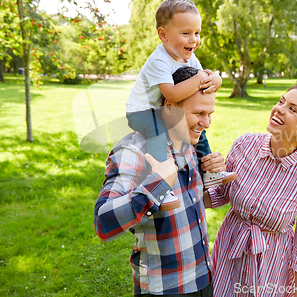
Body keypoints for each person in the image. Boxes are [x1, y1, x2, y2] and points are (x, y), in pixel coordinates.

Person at [94, 67, 229, 296]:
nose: (206, 123)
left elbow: (191, 202)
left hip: (204, 277)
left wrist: (217, 177)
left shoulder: (190, 143)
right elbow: (103, 222)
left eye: (210, 113)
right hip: (164, 288)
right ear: (169, 107)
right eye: (198, 114)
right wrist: (157, 184)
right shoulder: (134, 151)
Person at [205, 81, 297, 297]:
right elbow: (220, 194)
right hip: (228, 254)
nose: (279, 109)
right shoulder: (244, 144)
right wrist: (194, 182)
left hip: (271, 269)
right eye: (281, 101)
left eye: (292, 109)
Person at [125, 0, 236, 210]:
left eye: (197, 33)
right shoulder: (159, 60)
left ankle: (209, 173)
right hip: (141, 111)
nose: (193, 39)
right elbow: (173, 94)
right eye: (185, 33)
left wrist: (216, 79)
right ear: (163, 35)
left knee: (199, 129)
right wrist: (198, 79)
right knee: (157, 132)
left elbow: (204, 77)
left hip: (161, 108)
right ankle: (161, 185)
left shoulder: (189, 58)